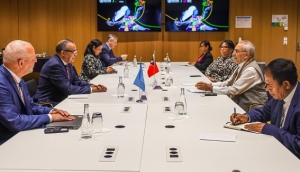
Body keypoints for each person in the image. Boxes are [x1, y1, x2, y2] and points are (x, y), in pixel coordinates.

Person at [0, 40, 74, 145]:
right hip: (7, 144)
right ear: (21, 63)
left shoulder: (17, 78)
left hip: (21, 135)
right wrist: (50, 118)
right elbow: (14, 122)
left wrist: (51, 111)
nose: (36, 60)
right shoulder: (1, 84)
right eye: (33, 58)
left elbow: (31, 106)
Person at [230, 58, 300, 159]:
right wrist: (246, 117)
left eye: (270, 85)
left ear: (286, 84)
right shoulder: (280, 94)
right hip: (275, 151)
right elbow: (264, 111)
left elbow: (298, 145)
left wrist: (271, 130)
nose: (266, 89)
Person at [195, 40, 267, 111]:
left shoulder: (250, 70)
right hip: (241, 105)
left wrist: (211, 88)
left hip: (251, 110)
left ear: (247, 55)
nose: (233, 54)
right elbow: (228, 82)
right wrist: (211, 85)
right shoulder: (242, 65)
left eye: (237, 51)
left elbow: (234, 90)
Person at [35, 39, 107, 106]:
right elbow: (68, 89)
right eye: (73, 52)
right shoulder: (54, 65)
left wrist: (92, 86)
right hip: (49, 103)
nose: (76, 54)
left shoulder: (67, 63)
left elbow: (76, 81)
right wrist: (91, 90)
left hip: (62, 99)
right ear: (63, 53)